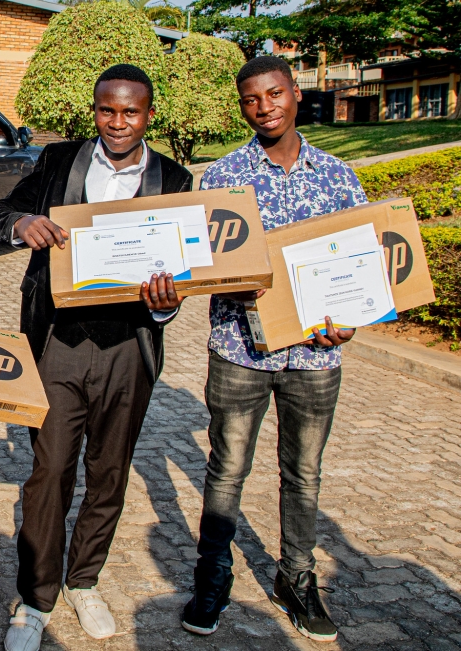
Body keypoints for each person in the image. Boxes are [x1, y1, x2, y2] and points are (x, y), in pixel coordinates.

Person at [0, 64, 193, 650]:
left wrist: (165, 303)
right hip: (57, 344)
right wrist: (23, 221)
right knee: (50, 470)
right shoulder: (59, 162)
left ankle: (84, 581)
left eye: (131, 112)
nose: (118, 122)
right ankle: (35, 597)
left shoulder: (176, 179)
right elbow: (3, 214)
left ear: (149, 114)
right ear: (95, 110)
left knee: (108, 471)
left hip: (130, 345)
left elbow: (186, 270)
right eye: (108, 110)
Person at [180, 55, 366, 643]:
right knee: (227, 470)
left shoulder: (338, 177)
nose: (266, 108)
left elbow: (360, 265)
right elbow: (203, 262)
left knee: (304, 474)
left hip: (315, 357)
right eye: (252, 99)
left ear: (294, 94)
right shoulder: (221, 179)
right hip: (239, 351)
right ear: (242, 106)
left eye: (276, 94)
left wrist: (353, 319)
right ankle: (213, 577)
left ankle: (297, 578)